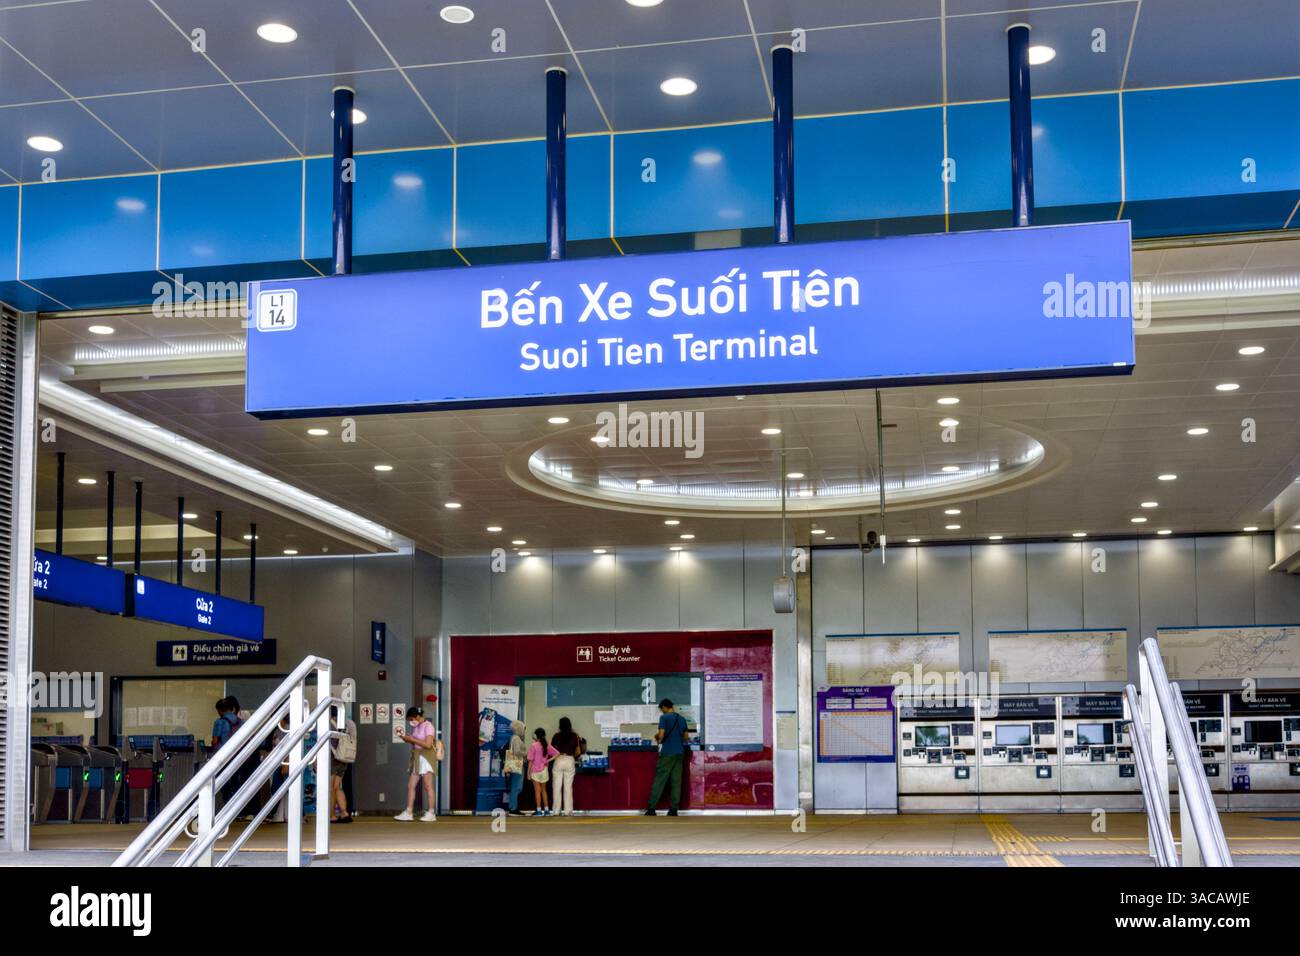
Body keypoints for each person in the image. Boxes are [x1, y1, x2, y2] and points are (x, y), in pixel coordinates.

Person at [645, 698, 689, 816]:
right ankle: (674, 809)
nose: (661, 711)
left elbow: (661, 735)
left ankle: (651, 808)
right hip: (679, 753)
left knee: (660, 780)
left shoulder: (664, 718)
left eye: (661, 709)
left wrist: (658, 738)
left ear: (664, 707)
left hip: (667, 753)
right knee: (676, 782)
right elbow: (685, 737)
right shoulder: (682, 719)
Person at [395, 707, 438, 822]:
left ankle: (431, 812)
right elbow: (416, 742)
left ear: (418, 717)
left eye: (412, 719)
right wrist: (407, 739)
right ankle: (409, 812)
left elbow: (428, 745)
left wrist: (412, 740)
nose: (411, 721)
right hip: (417, 757)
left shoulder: (428, 726)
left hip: (427, 758)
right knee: (411, 785)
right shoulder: (416, 726)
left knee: (428, 786)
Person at [550, 716, 584, 816]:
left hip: (559, 759)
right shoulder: (575, 736)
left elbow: (551, 750)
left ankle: (556, 811)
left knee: (556, 787)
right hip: (570, 760)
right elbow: (579, 751)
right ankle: (568, 811)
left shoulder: (556, 736)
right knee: (568, 787)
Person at [330, 714, 358, 824]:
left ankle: (332, 815)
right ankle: (344, 813)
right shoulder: (350, 723)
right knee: (337, 787)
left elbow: (330, 743)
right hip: (345, 757)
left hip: (333, 758)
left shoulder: (329, 723)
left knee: (331, 788)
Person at [526, 727, 558, 817]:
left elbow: (530, 761)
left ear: (536, 735)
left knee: (537, 791)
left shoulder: (533, 745)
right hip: (544, 770)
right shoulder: (546, 745)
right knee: (544, 791)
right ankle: (547, 810)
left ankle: (539, 810)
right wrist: (548, 761)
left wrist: (528, 773)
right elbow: (557, 753)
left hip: (535, 771)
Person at [503, 719, 529, 816]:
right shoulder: (517, 738)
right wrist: (527, 753)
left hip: (515, 765)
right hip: (517, 766)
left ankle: (513, 807)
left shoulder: (514, 737)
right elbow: (517, 752)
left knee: (516, 787)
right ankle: (513, 809)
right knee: (516, 787)